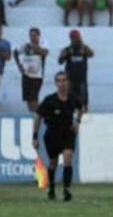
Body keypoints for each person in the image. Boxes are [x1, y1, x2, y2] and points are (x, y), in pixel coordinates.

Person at [33, 72, 82, 201]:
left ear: (68, 82)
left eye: (64, 80)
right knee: (53, 163)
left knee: (68, 158)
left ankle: (66, 190)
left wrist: (77, 121)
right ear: (55, 83)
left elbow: (80, 109)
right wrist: (34, 136)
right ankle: (52, 188)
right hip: (52, 135)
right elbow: (38, 116)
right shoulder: (49, 100)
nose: (62, 83)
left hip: (68, 133)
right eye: (59, 81)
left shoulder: (73, 99)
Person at [14, 27, 48, 112]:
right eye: (31, 35)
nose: (32, 37)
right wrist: (19, 65)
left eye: (34, 35)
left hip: (37, 75)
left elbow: (44, 52)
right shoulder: (26, 45)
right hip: (26, 74)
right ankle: (32, 115)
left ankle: (40, 115)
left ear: (38, 36)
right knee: (28, 99)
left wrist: (34, 46)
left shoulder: (43, 43)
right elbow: (15, 52)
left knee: (34, 99)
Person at [58, 30, 94, 110]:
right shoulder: (67, 49)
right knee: (70, 97)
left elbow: (92, 54)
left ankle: (84, 112)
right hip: (70, 78)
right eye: (72, 38)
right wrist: (63, 55)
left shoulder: (84, 48)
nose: (74, 39)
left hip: (82, 78)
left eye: (76, 37)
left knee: (83, 98)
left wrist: (83, 47)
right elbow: (60, 61)